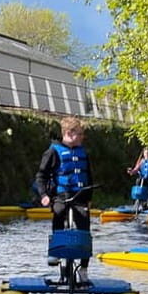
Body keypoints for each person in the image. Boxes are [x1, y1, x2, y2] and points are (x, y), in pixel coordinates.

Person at [35, 116, 93, 283]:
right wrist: (44, 196)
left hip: (80, 196)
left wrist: (89, 198)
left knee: (84, 229)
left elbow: (89, 176)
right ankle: (55, 252)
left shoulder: (83, 152)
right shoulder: (53, 151)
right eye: (79, 134)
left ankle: (83, 269)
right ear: (69, 133)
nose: (82, 137)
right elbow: (41, 176)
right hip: (61, 196)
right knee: (59, 214)